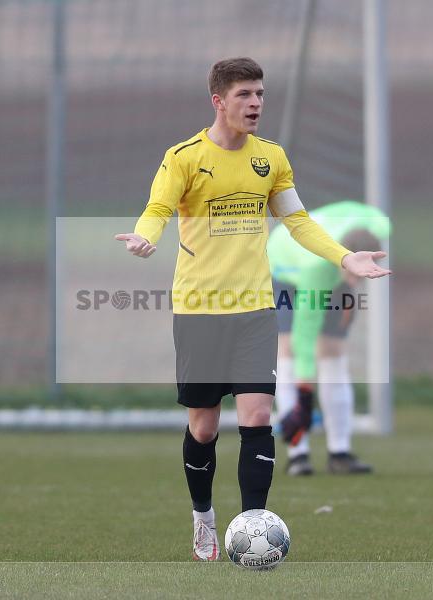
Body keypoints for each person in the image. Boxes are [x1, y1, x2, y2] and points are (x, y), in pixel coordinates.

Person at [114, 58, 391, 561]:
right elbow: (158, 209)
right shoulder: (183, 158)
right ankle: (203, 515)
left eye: (260, 94)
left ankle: (253, 528)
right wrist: (146, 237)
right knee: (204, 427)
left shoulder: (271, 158)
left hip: (255, 309)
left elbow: (299, 221)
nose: (256, 103)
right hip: (199, 310)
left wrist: (346, 256)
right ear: (218, 101)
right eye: (244, 95)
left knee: (257, 416)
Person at [268, 200, 392, 477]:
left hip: (330, 259)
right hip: (287, 265)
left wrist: (351, 273)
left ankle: (340, 452)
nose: (353, 283)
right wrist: (304, 397)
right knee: (290, 349)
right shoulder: (316, 267)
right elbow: (304, 336)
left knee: (333, 350)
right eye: (351, 274)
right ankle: (298, 455)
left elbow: (354, 210)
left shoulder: (380, 226)